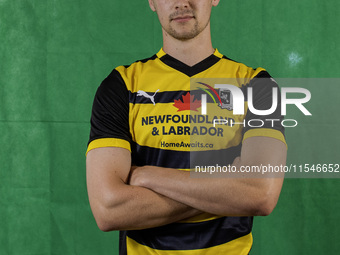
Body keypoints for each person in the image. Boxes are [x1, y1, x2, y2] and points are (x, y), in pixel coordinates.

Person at [86, 0, 287, 254]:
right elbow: (108, 210)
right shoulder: (121, 86)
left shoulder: (258, 86)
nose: (182, 3)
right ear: (152, 2)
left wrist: (148, 175)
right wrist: (228, 186)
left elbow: (261, 195)